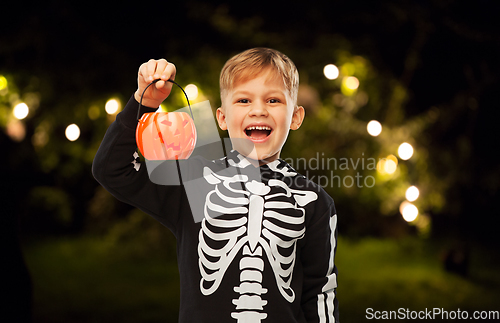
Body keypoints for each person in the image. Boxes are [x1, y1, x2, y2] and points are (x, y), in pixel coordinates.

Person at [93, 48, 339, 323]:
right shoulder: (198, 181)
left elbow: (320, 294)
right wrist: (144, 102)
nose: (258, 110)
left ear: (295, 117)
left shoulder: (312, 201)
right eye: (243, 100)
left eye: (273, 100)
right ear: (222, 118)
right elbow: (113, 169)